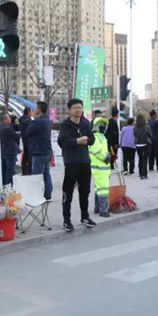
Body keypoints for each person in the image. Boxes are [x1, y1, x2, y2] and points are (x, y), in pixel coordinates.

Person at [57, 99, 97, 232]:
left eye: (79, 107)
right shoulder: (65, 125)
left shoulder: (85, 123)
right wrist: (78, 140)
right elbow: (64, 142)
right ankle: (66, 220)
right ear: (69, 110)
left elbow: (92, 139)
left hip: (85, 161)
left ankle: (85, 217)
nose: (78, 110)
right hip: (71, 162)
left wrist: (85, 140)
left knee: (85, 191)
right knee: (68, 193)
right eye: (75, 108)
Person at [29, 101, 53, 200]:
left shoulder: (38, 122)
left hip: (39, 151)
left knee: (37, 175)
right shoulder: (47, 120)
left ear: (39, 109)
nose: (34, 110)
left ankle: (37, 194)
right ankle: (47, 194)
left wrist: (32, 119)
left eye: (35, 108)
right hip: (46, 151)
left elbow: (28, 131)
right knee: (46, 174)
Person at [90, 117, 112, 218]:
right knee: (103, 188)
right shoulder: (95, 137)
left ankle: (98, 208)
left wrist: (108, 157)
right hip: (99, 167)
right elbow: (97, 151)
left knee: (99, 188)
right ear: (96, 126)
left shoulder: (103, 137)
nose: (103, 126)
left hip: (103, 167)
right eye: (101, 125)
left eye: (104, 125)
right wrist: (105, 158)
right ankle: (103, 210)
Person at [0, 112, 21, 187]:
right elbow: (16, 136)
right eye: (8, 118)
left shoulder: (0, 127)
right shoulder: (7, 128)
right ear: (5, 119)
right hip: (10, 152)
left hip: (4, 151)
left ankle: (5, 185)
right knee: (10, 171)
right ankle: (9, 186)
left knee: (5, 170)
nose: (10, 119)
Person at [133, 115, 152, 179]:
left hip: (138, 144)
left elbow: (134, 134)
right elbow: (150, 134)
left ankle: (140, 172)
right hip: (146, 144)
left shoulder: (135, 127)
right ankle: (144, 174)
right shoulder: (146, 126)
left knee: (140, 158)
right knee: (145, 159)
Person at [19, 107, 33, 175]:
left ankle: (24, 170)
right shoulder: (28, 121)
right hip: (29, 141)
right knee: (29, 157)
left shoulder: (21, 120)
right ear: (28, 112)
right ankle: (28, 171)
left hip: (24, 140)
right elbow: (30, 131)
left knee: (25, 156)